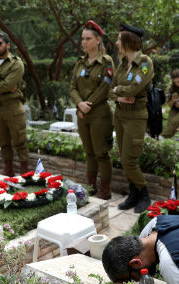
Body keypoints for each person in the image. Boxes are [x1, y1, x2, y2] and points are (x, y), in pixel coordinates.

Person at [109, 24, 154, 213]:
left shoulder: (145, 63)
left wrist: (118, 90)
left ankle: (144, 194)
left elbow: (135, 88)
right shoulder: (122, 65)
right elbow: (109, 90)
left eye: (120, 39)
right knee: (123, 156)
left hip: (136, 116)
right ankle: (133, 194)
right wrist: (119, 95)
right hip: (120, 114)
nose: (117, 43)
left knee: (130, 159)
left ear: (129, 41)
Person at [69, 20, 115, 200]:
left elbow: (105, 86)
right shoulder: (80, 63)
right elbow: (72, 87)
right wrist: (80, 104)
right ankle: (91, 186)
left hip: (99, 115)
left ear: (97, 40)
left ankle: (105, 189)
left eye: (88, 38)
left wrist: (88, 104)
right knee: (89, 153)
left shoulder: (106, 61)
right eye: (82, 39)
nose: (84, 42)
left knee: (101, 153)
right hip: (82, 114)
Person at [0, 31, 29, 176]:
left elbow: (7, 85)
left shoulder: (16, 64)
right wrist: (0, 87)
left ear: (8, 45)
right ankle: (8, 169)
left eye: (0, 43)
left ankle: (24, 171)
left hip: (13, 107)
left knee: (19, 141)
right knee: (3, 142)